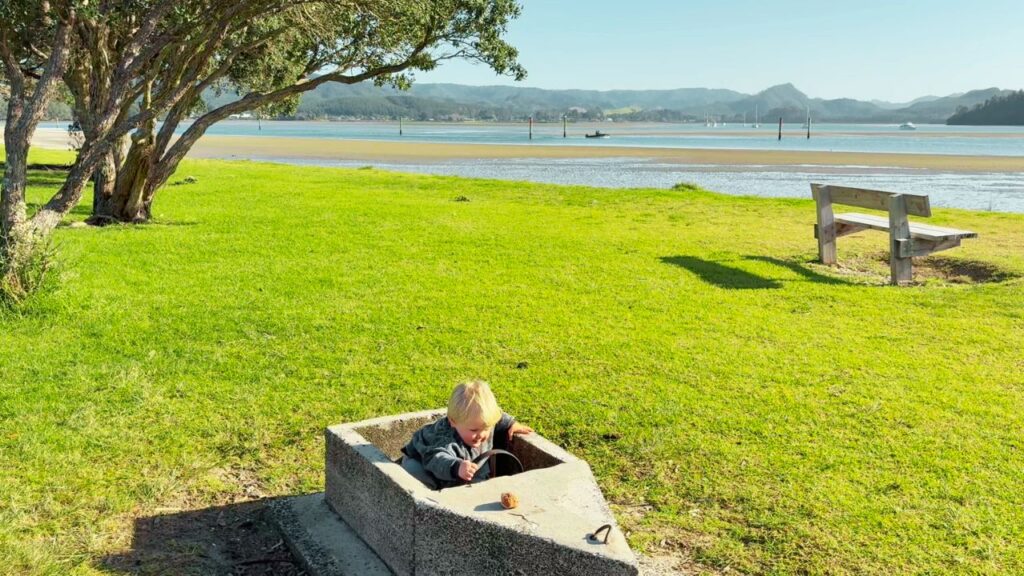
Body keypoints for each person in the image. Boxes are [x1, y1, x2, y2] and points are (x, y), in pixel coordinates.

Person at [401, 380, 532, 489]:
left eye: (487, 428)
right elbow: (437, 458)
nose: (481, 434)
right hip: (427, 462)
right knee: (415, 475)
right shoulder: (446, 440)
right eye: (474, 430)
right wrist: (456, 466)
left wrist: (511, 424)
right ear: (453, 422)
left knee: (478, 471)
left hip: (467, 460)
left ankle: (475, 483)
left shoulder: (480, 423)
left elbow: (498, 417)